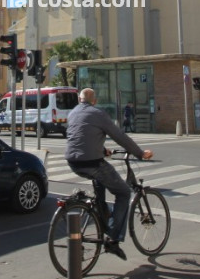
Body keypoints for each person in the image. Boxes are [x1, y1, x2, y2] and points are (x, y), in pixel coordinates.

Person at [65, 88, 153, 261]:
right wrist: (140, 153)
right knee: (123, 192)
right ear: (94, 101)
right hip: (92, 162)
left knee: (100, 181)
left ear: (79, 99)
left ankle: (102, 211)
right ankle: (113, 239)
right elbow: (120, 136)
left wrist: (103, 150)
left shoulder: (72, 113)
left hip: (73, 162)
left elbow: (83, 137)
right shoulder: (98, 113)